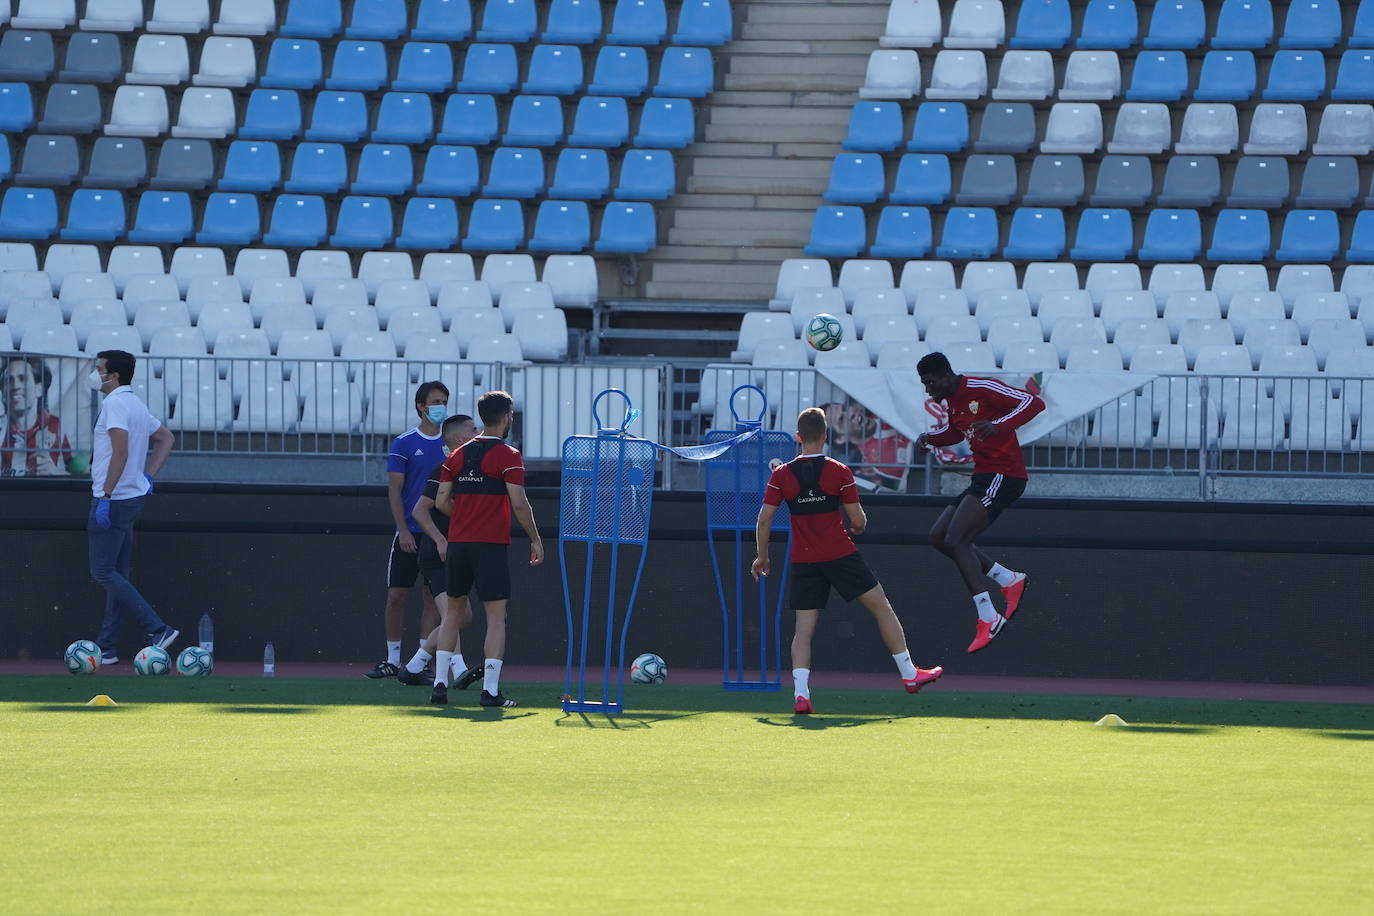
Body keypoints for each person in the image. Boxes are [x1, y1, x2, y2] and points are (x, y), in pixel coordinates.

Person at [751, 406, 942, 715]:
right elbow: (857, 520)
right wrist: (859, 524)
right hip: (840, 554)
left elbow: (764, 520)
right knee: (882, 608)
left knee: (803, 631)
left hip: (804, 559)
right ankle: (909, 675)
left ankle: (801, 695)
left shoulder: (781, 476)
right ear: (826, 436)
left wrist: (762, 556)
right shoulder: (839, 471)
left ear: (799, 437)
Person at [914, 352, 1045, 654]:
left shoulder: (982, 388)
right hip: (983, 476)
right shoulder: (953, 403)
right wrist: (930, 438)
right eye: (924, 384)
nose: (928, 389)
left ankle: (988, 616)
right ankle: (1008, 579)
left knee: (957, 539)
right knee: (938, 537)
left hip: (1004, 475)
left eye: (930, 382)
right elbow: (955, 432)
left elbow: (1034, 403)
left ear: (946, 375)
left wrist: (999, 425)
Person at [430, 390, 544, 708]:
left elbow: (440, 502)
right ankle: (490, 691)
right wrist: (535, 538)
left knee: (452, 614)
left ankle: (440, 685)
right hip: (490, 545)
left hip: (459, 545)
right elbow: (519, 504)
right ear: (507, 417)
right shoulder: (509, 456)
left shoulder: (457, 455)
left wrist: (465, 518)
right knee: (496, 618)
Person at [87, 350, 178, 664]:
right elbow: (166, 438)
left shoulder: (114, 403)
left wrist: (106, 495)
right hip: (132, 499)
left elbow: (121, 453)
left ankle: (157, 628)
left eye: (98, 368)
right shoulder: (135, 403)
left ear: (112, 376)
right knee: (117, 573)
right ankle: (108, 647)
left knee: (101, 572)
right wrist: (147, 477)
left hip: (112, 500)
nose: (94, 373)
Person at [366, 381, 450, 679]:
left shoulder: (451, 443)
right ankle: (392, 660)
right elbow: (394, 489)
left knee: (432, 599)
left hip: (438, 534)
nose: (441, 406)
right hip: (410, 532)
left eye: (444, 401)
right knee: (397, 596)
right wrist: (402, 529)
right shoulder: (404, 442)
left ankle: (421, 662)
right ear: (421, 406)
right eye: (436, 401)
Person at [397, 413, 481, 688]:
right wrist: (440, 540)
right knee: (451, 616)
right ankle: (458, 670)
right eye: (473, 429)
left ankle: (414, 665)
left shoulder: (470, 470)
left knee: (463, 617)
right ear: (460, 438)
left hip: (455, 554)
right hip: (437, 555)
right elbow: (419, 511)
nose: (479, 432)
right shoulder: (444, 469)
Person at [2, 356, 71, 477]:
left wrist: (57, 473)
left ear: (39, 389)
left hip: (44, 495)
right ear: (3, 392)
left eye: (22, 378)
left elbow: (83, 474)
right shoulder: (2, 429)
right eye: (9, 380)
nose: (15, 386)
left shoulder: (57, 426)